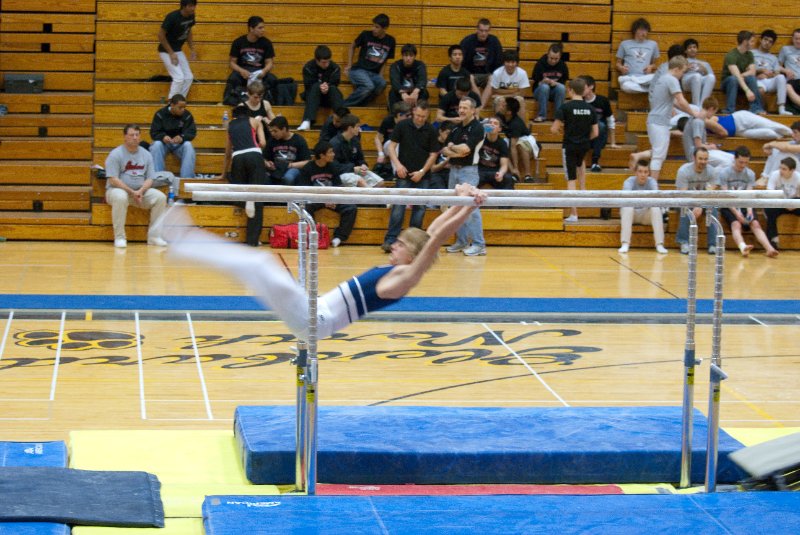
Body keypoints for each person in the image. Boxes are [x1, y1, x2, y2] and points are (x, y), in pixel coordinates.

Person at [164, 183, 486, 341]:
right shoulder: (404, 266)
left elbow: (435, 240)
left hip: (314, 320)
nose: (393, 246)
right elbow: (433, 233)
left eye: (400, 245)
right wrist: (463, 200)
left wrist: (468, 205)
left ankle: (184, 240)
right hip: (313, 310)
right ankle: (185, 242)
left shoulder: (405, 278)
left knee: (259, 265)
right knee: (255, 267)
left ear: (412, 256)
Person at [382, 101, 438, 252]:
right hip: (403, 174)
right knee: (398, 207)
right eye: (418, 115)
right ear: (413, 112)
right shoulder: (402, 125)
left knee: (420, 209)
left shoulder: (431, 130)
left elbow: (433, 154)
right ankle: (390, 240)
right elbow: (391, 147)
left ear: (428, 115)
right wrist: (398, 165)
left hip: (423, 176)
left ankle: (413, 242)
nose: (420, 119)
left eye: (423, 117)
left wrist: (422, 171)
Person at [105, 125, 167, 248]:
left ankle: (154, 237)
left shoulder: (146, 155)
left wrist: (141, 191)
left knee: (160, 198)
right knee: (120, 197)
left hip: (140, 192)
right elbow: (113, 179)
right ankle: (120, 237)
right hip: (116, 191)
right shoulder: (115, 154)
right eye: (131, 135)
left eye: (137, 135)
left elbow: (150, 178)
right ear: (125, 137)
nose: (135, 137)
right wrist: (131, 191)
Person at [442, 97, 487, 256]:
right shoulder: (456, 128)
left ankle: (479, 244)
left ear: (473, 110)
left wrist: (452, 147)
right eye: (460, 107)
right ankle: (461, 241)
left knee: (471, 207)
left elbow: (465, 149)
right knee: (455, 207)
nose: (461, 110)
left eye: (465, 108)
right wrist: (456, 150)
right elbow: (444, 150)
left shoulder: (478, 128)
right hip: (453, 170)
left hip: (469, 171)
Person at [646, 56, 703, 180]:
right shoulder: (671, 80)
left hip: (657, 121)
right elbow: (681, 101)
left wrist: (691, 112)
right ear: (676, 69)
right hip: (659, 122)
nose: (682, 75)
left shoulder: (663, 78)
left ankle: (651, 184)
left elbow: (675, 103)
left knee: (658, 154)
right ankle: (652, 186)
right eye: (683, 71)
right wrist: (693, 114)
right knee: (658, 156)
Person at [716, 146, 778, 257]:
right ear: (734, 159)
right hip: (729, 204)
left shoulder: (750, 174)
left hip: (744, 203)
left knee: (755, 224)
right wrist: (736, 213)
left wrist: (749, 210)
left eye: (746, 163)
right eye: (741, 162)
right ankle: (742, 247)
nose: (743, 165)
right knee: (736, 224)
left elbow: (749, 194)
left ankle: (769, 249)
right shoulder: (724, 173)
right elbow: (726, 196)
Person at [294, 141, 359, 248]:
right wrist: (323, 200)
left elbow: (338, 187)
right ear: (322, 155)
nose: (333, 154)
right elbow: (306, 191)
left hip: (331, 198)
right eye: (330, 152)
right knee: (305, 207)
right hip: (314, 199)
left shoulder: (333, 166)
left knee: (351, 208)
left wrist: (332, 199)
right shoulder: (307, 168)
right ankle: (313, 234)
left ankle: (339, 237)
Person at [551, 78, 598, 222]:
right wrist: (584, 139)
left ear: (570, 90)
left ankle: (574, 213)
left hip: (570, 146)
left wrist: (561, 131)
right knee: (580, 162)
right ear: (584, 90)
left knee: (571, 179)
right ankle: (583, 188)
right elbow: (596, 133)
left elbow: (554, 129)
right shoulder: (590, 108)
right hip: (584, 146)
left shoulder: (565, 107)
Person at [221, 105, 267, 247]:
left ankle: (246, 200)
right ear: (248, 114)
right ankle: (252, 241)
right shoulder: (254, 121)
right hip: (254, 155)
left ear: (234, 116)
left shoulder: (230, 125)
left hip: (238, 158)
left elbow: (227, 153)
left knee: (238, 195)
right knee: (257, 198)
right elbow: (263, 143)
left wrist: (223, 174)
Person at [343, 14, 396, 107]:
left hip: (374, 74)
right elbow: (352, 46)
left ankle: (362, 104)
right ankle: (343, 105)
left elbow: (385, 59)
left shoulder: (391, 41)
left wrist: (381, 75)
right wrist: (349, 65)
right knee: (369, 86)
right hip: (359, 70)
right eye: (373, 26)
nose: (373, 29)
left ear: (385, 28)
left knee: (382, 83)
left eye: (377, 27)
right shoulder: (365, 35)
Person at [617, 159, 667, 254]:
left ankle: (659, 244)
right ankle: (625, 243)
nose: (643, 174)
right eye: (640, 171)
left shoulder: (652, 182)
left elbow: (655, 198)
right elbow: (627, 200)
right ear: (635, 172)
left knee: (656, 208)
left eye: (645, 172)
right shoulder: (628, 182)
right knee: (627, 207)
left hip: (645, 215)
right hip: (632, 215)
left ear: (649, 173)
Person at [675, 147, 719, 255]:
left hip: (704, 201)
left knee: (713, 208)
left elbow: (710, 193)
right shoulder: (684, 171)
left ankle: (713, 244)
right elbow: (683, 195)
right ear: (694, 158)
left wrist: (699, 205)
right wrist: (695, 205)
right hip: (685, 200)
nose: (703, 162)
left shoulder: (712, 171)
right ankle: (684, 242)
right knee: (684, 208)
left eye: (705, 159)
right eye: (700, 159)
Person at [224, 16, 276, 106]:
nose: (263, 30)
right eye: (260, 28)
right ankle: (230, 100)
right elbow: (232, 63)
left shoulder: (266, 43)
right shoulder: (238, 42)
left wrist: (264, 71)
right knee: (233, 78)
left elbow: (269, 62)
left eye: (263, 27)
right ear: (251, 29)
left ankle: (270, 102)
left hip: (259, 72)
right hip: (243, 72)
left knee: (272, 79)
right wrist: (241, 71)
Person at [149, 93, 196, 179]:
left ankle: (186, 179)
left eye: (184, 107)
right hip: (164, 144)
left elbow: (191, 132)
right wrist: (163, 137)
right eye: (180, 107)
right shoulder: (160, 114)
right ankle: (158, 177)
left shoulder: (187, 115)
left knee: (188, 145)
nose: (183, 110)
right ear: (172, 105)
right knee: (156, 145)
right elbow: (153, 132)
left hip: (179, 145)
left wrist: (182, 137)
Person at [298, 45, 343, 131]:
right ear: (317, 60)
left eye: (328, 61)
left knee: (333, 89)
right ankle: (307, 120)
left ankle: (343, 119)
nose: (326, 64)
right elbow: (308, 85)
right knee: (315, 86)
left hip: (329, 97)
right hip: (313, 97)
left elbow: (335, 83)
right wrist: (320, 86)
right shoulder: (308, 67)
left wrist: (327, 86)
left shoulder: (335, 68)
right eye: (323, 62)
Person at [157, 0, 196, 99]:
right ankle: (171, 102)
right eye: (190, 6)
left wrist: (192, 48)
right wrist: (171, 53)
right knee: (179, 78)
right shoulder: (172, 17)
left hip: (177, 50)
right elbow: (160, 35)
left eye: (194, 6)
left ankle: (180, 101)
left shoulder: (191, 16)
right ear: (184, 6)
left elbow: (188, 31)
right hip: (166, 51)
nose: (193, 8)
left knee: (188, 77)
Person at [701, 96, 792, 139]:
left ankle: (791, 133)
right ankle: (783, 138)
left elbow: (724, 133)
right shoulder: (705, 121)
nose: (714, 114)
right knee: (769, 134)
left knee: (770, 125)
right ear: (712, 109)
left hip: (740, 119)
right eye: (715, 111)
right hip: (738, 132)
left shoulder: (709, 120)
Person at [721, 31, 764, 114]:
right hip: (728, 84)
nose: (753, 44)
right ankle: (730, 109)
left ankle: (755, 107)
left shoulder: (750, 54)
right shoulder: (731, 55)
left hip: (741, 80)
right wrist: (747, 90)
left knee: (751, 78)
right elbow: (736, 76)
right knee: (733, 79)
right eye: (751, 41)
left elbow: (752, 72)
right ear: (745, 42)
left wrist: (741, 75)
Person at [580, 75, 617, 172]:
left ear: (591, 87)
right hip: (584, 137)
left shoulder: (603, 100)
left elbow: (610, 120)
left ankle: (595, 161)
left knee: (599, 125)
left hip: (599, 137)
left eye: (583, 86)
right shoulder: (579, 102)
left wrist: (613, 142)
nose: (580, 89)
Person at [496, 96, 537, 182]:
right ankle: (514, 173)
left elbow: (513, 146)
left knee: (520, 145)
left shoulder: (516, 124)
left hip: (525, 138)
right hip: (510, 137)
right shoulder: (500, 115)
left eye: (503, 106)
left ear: (509, 112)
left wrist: (516, 166)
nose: (501, 106)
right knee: (501, 146)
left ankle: (527, 174)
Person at [753, 30, 793, 116]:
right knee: (760, 90)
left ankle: (781, 108)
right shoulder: (752, 53)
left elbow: (777, 72)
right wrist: (760, 71)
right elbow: (747, 69)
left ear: (772, 44)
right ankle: (762, 110)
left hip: (769, 80)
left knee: (781, 77)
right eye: (765, 39)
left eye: (770, 42)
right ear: (760, 40)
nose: (767, 43)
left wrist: (770, 75)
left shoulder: (773, 58)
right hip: (756, 79)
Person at [764, 157, 800, 250]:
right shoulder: (774, 175)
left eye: (784, 169)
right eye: (780, 168)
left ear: (792, 170)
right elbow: (769, 193)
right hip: (779, 203)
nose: (781, 171)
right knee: (769, 209)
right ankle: (773, 240)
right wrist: (783, 203)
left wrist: (794, 204)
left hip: (793, 203)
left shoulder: (798, 177)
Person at [482, 49, 529, 118]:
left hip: (513, 98)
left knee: (520, 100)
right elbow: (494, 90)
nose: (510, 65)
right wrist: (514, 91)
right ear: (504, 62)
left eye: (513, 62)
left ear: (517, 63)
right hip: (501, 98)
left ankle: (520, 124)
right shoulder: (497, 73)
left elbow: (522, 93)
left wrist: (504, 93)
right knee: (500, 100)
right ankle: (499, 123)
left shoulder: (522, 73)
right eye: (508, 62)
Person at [616, 18, 659, 93]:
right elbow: (618, 63)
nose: (644, 33)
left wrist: (651, 67)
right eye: (641, 30)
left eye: (646, 30)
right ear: (635, 30)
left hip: (645, 78)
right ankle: (646, 89)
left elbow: (655, 64)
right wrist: (621, 68)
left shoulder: (653, 44)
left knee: (657, 78)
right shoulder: (624, 44)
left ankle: (636, 81)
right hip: (629, 76)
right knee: (626, 86)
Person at [264, 116, 311, 186]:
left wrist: (289, 165)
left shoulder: (299, 140)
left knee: (288, 178)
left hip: (293, 168)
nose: (272, 134)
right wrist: (267, 163)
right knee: (264, 176)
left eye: (275, 131)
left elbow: (307, 162)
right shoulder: (271, 140)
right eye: (271, 131)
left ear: (284, 129)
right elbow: (264, 158)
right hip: (276, 168)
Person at [460, 18, 504, 88]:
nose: (483, 33)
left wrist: (493, 75)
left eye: (486, 31)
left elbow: (499, 61)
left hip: (488, 75)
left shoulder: (494, 42)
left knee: (493, 79)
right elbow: (461, 62)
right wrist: (468, 75)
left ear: (489, 31)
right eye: (481, 30)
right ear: (477, 29)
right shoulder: (467, 41)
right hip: (471, 75)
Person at [531, 43, 569, 122]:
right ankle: (542, 116)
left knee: (561, 88)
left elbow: (563, 81)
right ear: (548, 54)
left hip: (554, 92)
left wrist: (556, 83)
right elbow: (535, 80)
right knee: (545, 87)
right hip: (540, 91)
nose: (553, 61)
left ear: (560, 57)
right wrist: (542, 81)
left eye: (556, 59)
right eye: (551, 58)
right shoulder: (540, 64)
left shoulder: (563, 65)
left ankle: (558, 117)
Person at [374, 102, 411, 177]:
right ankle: (397, 172)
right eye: (407, 115)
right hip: (388, 145)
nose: (409, 117)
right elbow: (377, 138)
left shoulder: (409, 122)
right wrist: (380, 153)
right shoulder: (388, 121)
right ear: (399, 115)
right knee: (395, 145)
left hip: (404, 147)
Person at [477, 117, 515, 190]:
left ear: (499, 129)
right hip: (479, 171)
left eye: (495, 123)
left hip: (494, 172)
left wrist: (501, 173)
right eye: (490, 123)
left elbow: (504, 165)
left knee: (509, 179)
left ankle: (507, 198)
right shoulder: (480, 139)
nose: (492, 125)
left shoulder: (502, 144)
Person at [388, 44, 428, 111]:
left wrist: (415, 92)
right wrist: (403, 93)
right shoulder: (395, 65)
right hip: (401, 92)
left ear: (414, 56)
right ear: (402, 56)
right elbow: (394, 81)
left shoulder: (420, 65)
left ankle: (421, 113)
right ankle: (393, 114)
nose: (408, 58)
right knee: (392, 92)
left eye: (411, 55)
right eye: (406, 55)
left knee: (424, 92)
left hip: (415, 91)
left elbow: (423, 80)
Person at [682, 38, 716, 107]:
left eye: (694, 47)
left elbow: (712, 80)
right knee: (697, 76)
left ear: (697, 49)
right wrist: (685, 68)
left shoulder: (704, 63)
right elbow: (675, 75)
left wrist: (705, 71)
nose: (692, 49)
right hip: (686, 82)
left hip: (700, 81)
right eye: (689, 48)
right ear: (685, 51)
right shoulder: (682, 61)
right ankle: (696, 105)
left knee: (711, 77)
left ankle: (702, 106)